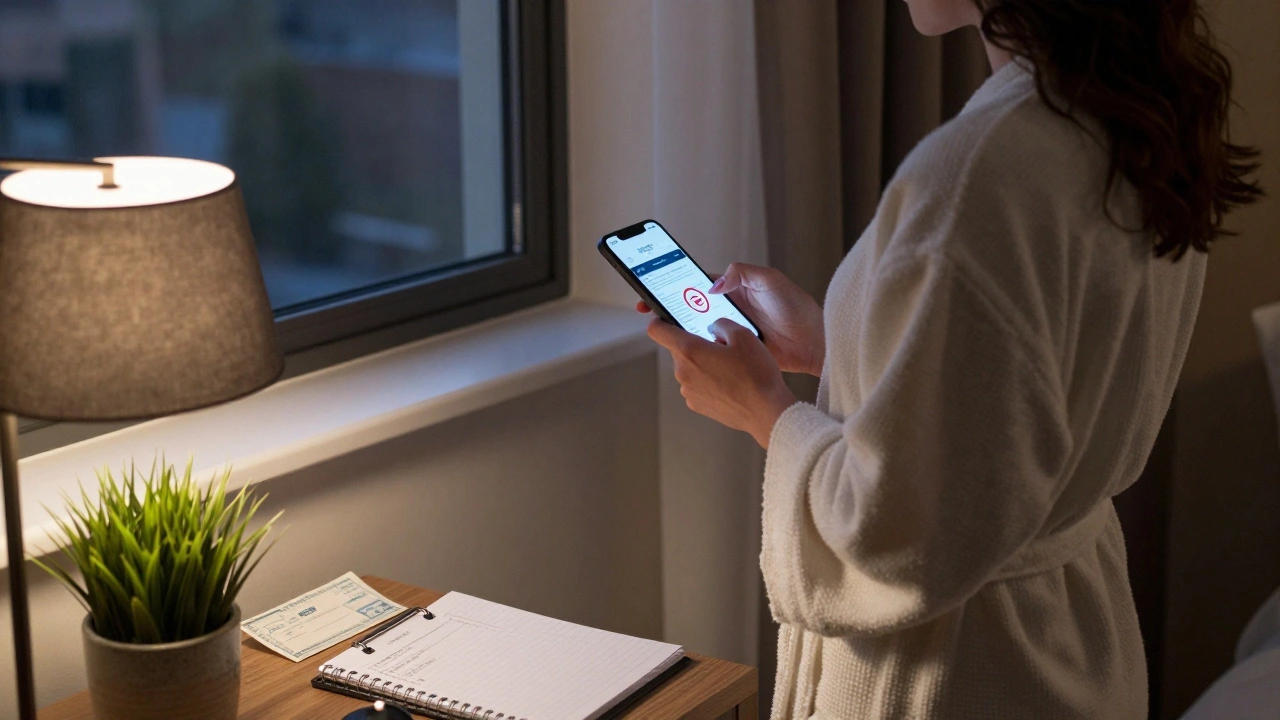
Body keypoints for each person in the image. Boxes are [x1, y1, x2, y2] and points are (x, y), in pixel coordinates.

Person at [637, 0, 1262, 717]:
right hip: (1072, 649)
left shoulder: (979, 173)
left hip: (955, 676)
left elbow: (899, 533)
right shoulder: (1127, 113)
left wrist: (765, 409)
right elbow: (1022, 377)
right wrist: (840, 341)